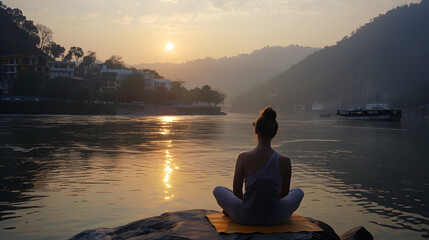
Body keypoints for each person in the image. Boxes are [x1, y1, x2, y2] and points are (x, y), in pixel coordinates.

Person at [213, 107, 304, 225]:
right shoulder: (285, 161)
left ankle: (232, 211)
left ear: (256, 130)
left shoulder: (243, 157)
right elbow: (284, 194)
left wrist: (249, 204)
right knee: (298, 192)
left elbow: (237, 192)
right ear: (274, 133)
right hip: (276, 218)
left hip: (245, 217)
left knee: (218, 190)